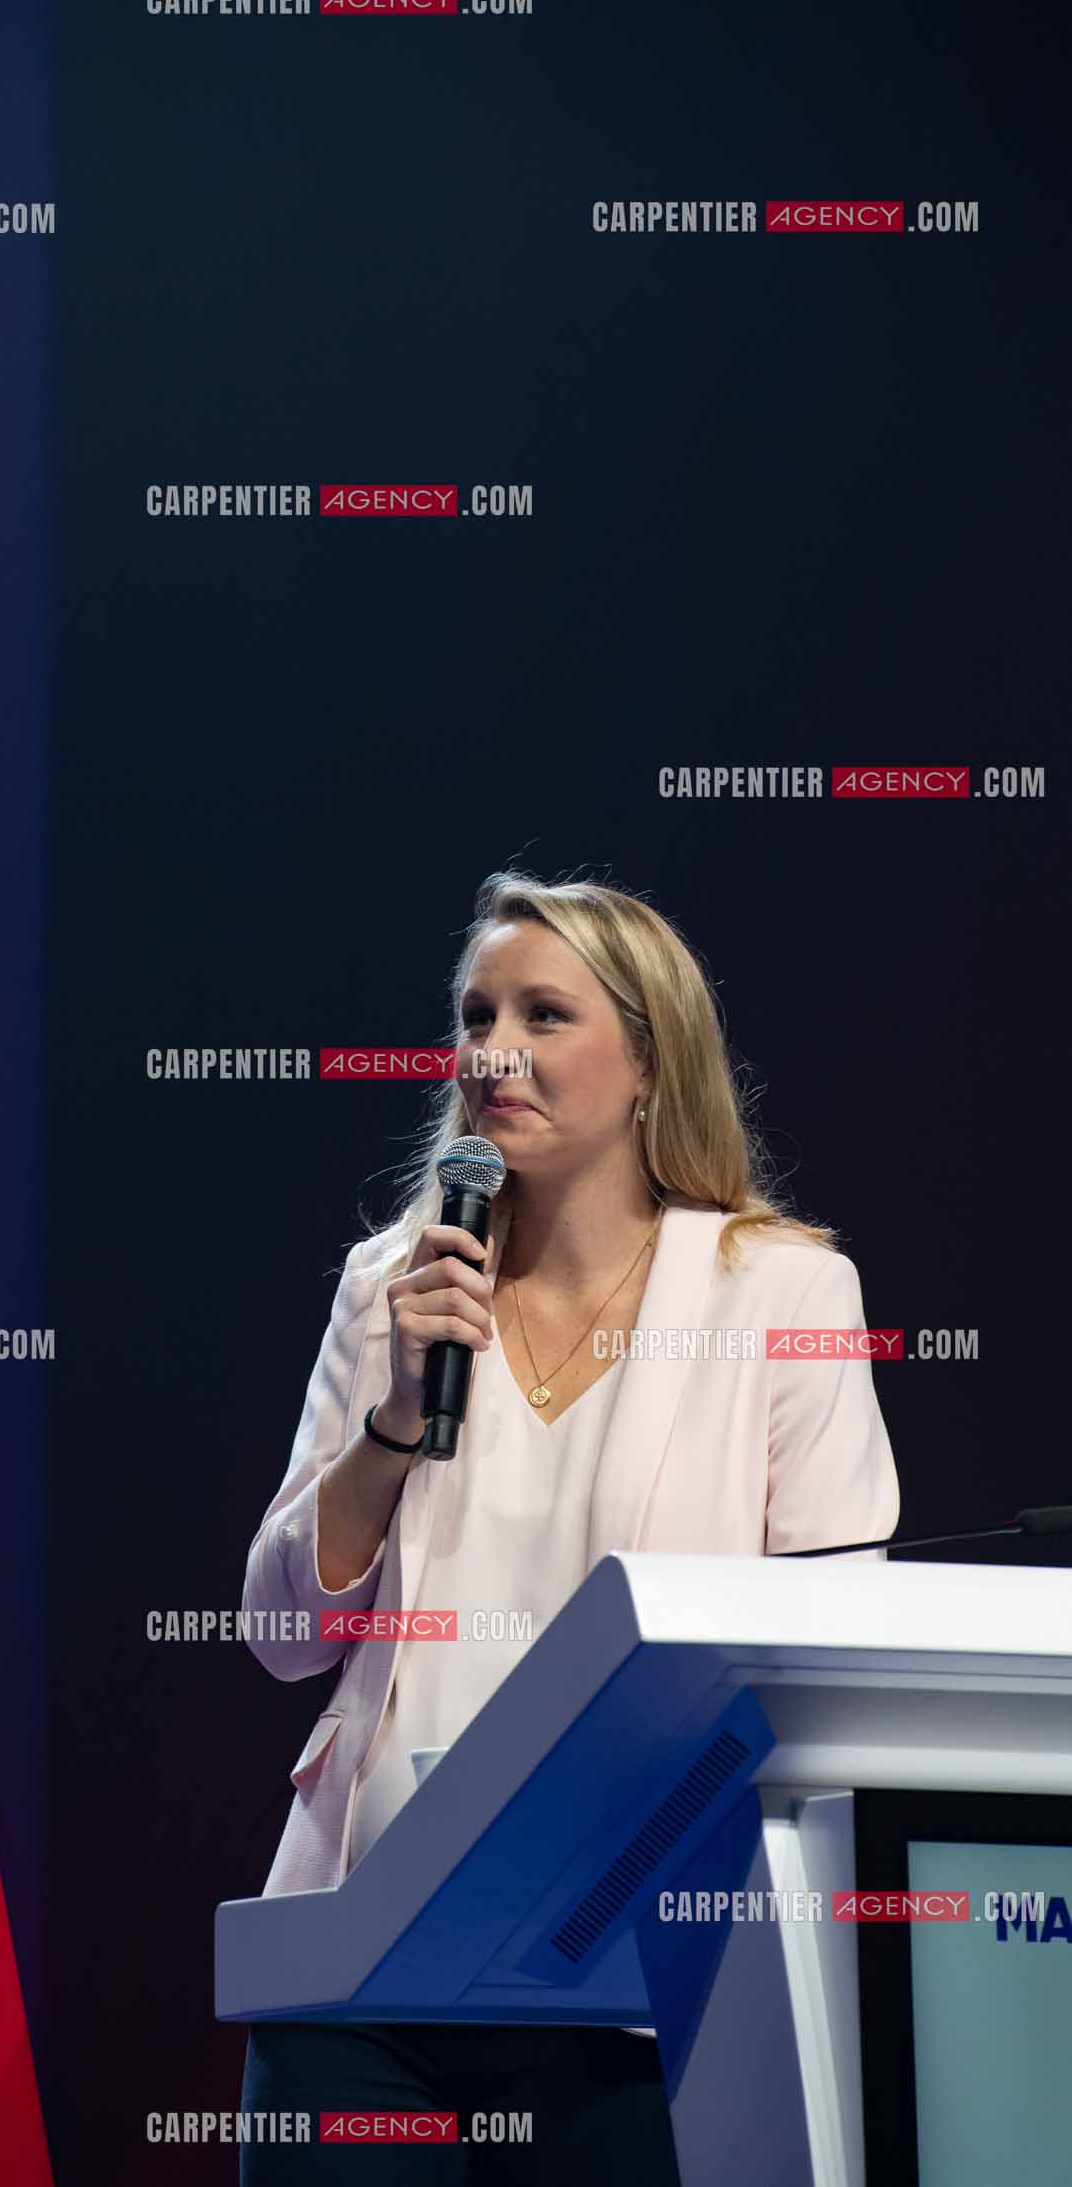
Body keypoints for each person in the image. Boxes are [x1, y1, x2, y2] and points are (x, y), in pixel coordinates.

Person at [237, 870, 900, 2183]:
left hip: (638, 1964)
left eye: (545, 1014)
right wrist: (385, 1426)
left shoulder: (782, 1292)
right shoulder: (397, 1280)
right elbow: (277, 1633)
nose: (495, 1050)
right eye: (476, 1013)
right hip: (368, 1957)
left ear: (652, 1062)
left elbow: (838, 1648)